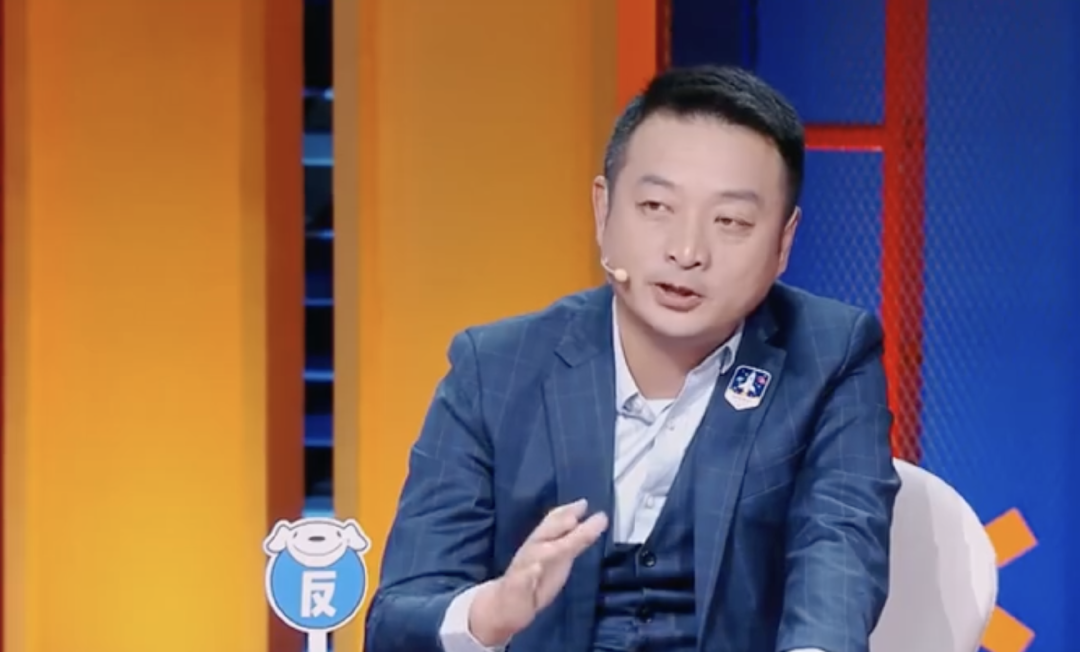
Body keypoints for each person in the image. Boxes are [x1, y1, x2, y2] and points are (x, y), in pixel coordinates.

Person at [364, 65, 900, 652]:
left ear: (783, 242)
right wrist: (492, 611)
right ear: (604, 211)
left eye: (731, 221)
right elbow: (396, 621)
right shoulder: (494, 370)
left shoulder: (828, 354)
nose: (687, 251)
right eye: (656, 206)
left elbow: (838, 555)